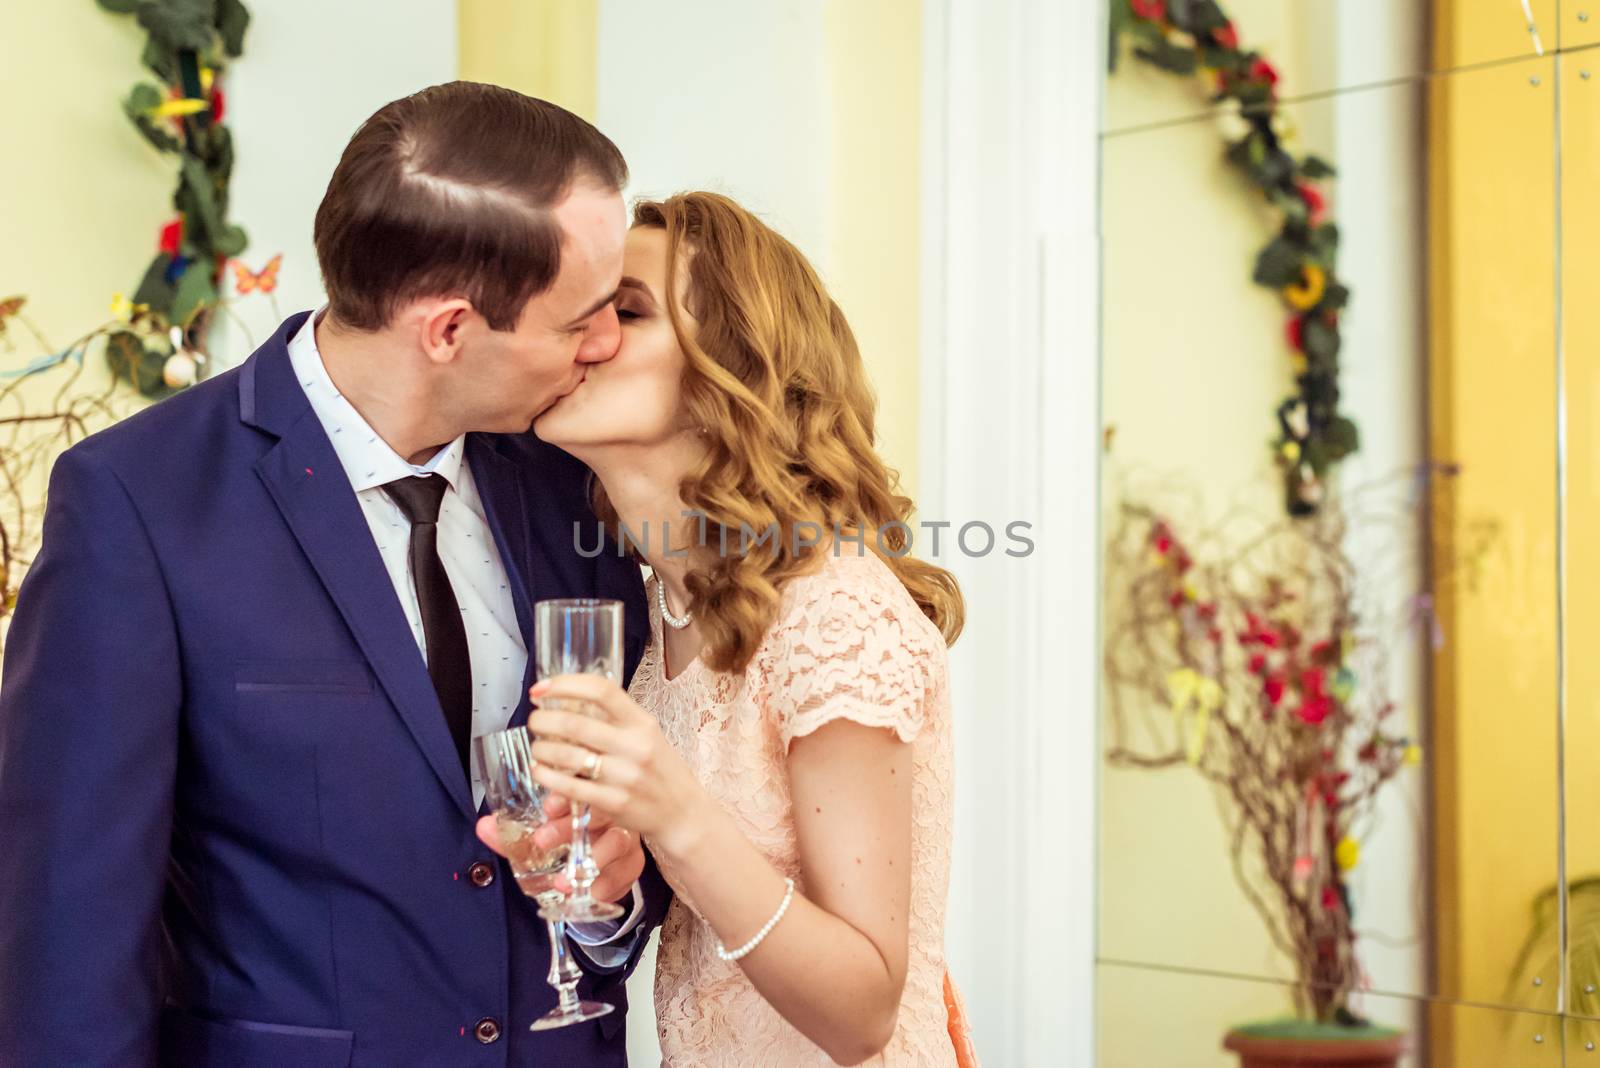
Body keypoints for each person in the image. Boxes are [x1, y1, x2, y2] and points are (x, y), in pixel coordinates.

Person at [0, 82, 669, 1066]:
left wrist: (609, 900)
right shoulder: (136, 503)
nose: (607, 344)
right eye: (581, 320)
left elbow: (616, 848)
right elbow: (69, 933)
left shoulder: (577, 485)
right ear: (447, 331)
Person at [480, 192, 977, 1066]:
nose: (583, 336)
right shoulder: (657, 612)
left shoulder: (837, 617)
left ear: (730, 376)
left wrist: (672, 811)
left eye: (626, 311)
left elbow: (863, 1012)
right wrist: (601, 881)